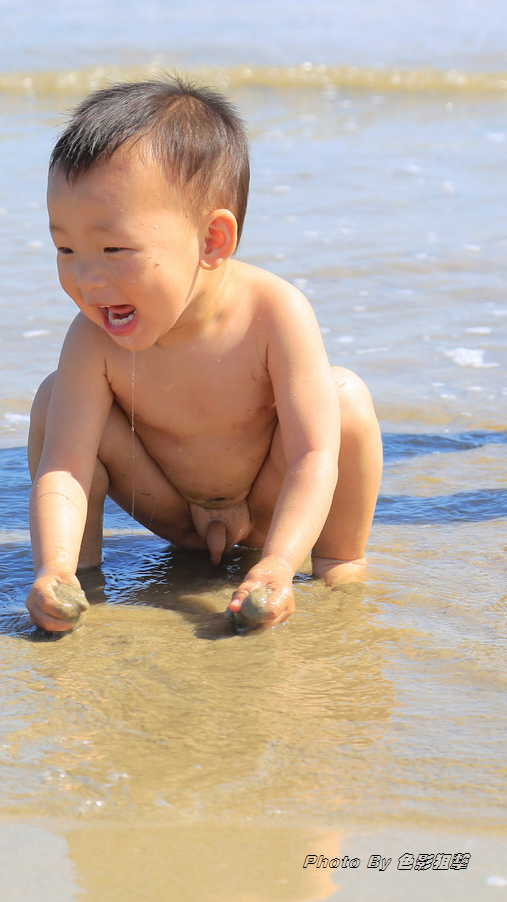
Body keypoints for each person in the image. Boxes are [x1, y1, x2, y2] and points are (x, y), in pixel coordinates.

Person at [26, 75, 383, 633]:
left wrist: (280, 563)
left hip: (269, 504)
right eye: (65, 249)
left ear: (213, 241)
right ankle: (73, 580)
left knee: (347, 401)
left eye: (114, 248)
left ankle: (339, 562)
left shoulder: (274, 312)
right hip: (166, 505)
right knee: (54, 402)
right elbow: (66, 467)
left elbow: (314, 456)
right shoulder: (92, 338)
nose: (86, 278)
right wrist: (52, 564)